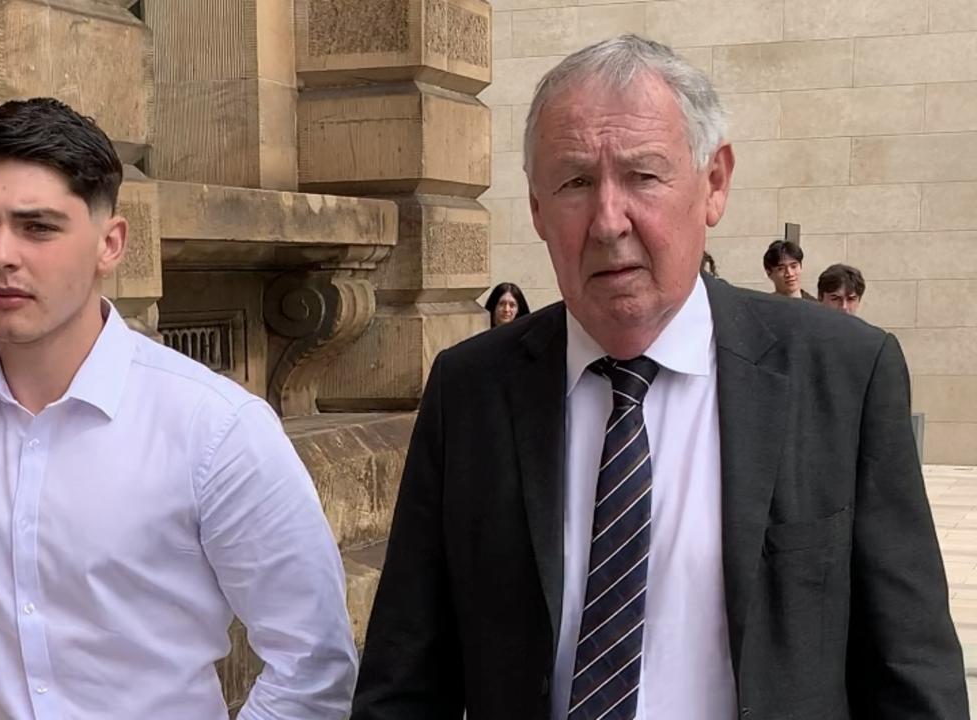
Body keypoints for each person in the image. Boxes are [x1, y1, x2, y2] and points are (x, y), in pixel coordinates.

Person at [352, 35, 965, 720]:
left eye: (643, 176)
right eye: (575, 182)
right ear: (535, 206)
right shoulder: (470, 391)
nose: (609, 221)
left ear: (714, 183)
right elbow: (405, 681)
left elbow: (912, 673)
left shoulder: (843, 374)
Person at [0, 98, 358, 719]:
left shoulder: (213, 428)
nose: (1, 254)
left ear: (109, 244)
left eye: (37, 227)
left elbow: (313, 660)